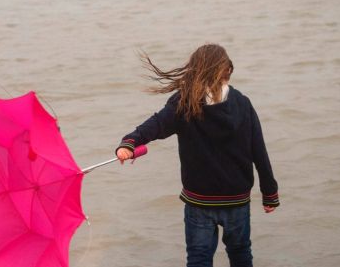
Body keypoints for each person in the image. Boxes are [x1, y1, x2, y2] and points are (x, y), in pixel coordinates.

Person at [115, 43, 278, 267]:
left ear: (194, 71)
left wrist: (130, 143)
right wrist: (270, 193)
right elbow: (259, 150)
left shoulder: (185, 102)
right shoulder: (242, 103)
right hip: (236, 198)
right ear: (227, 71)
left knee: (198, 258)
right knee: (241, 254)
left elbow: (156, 125)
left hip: (199, 200)